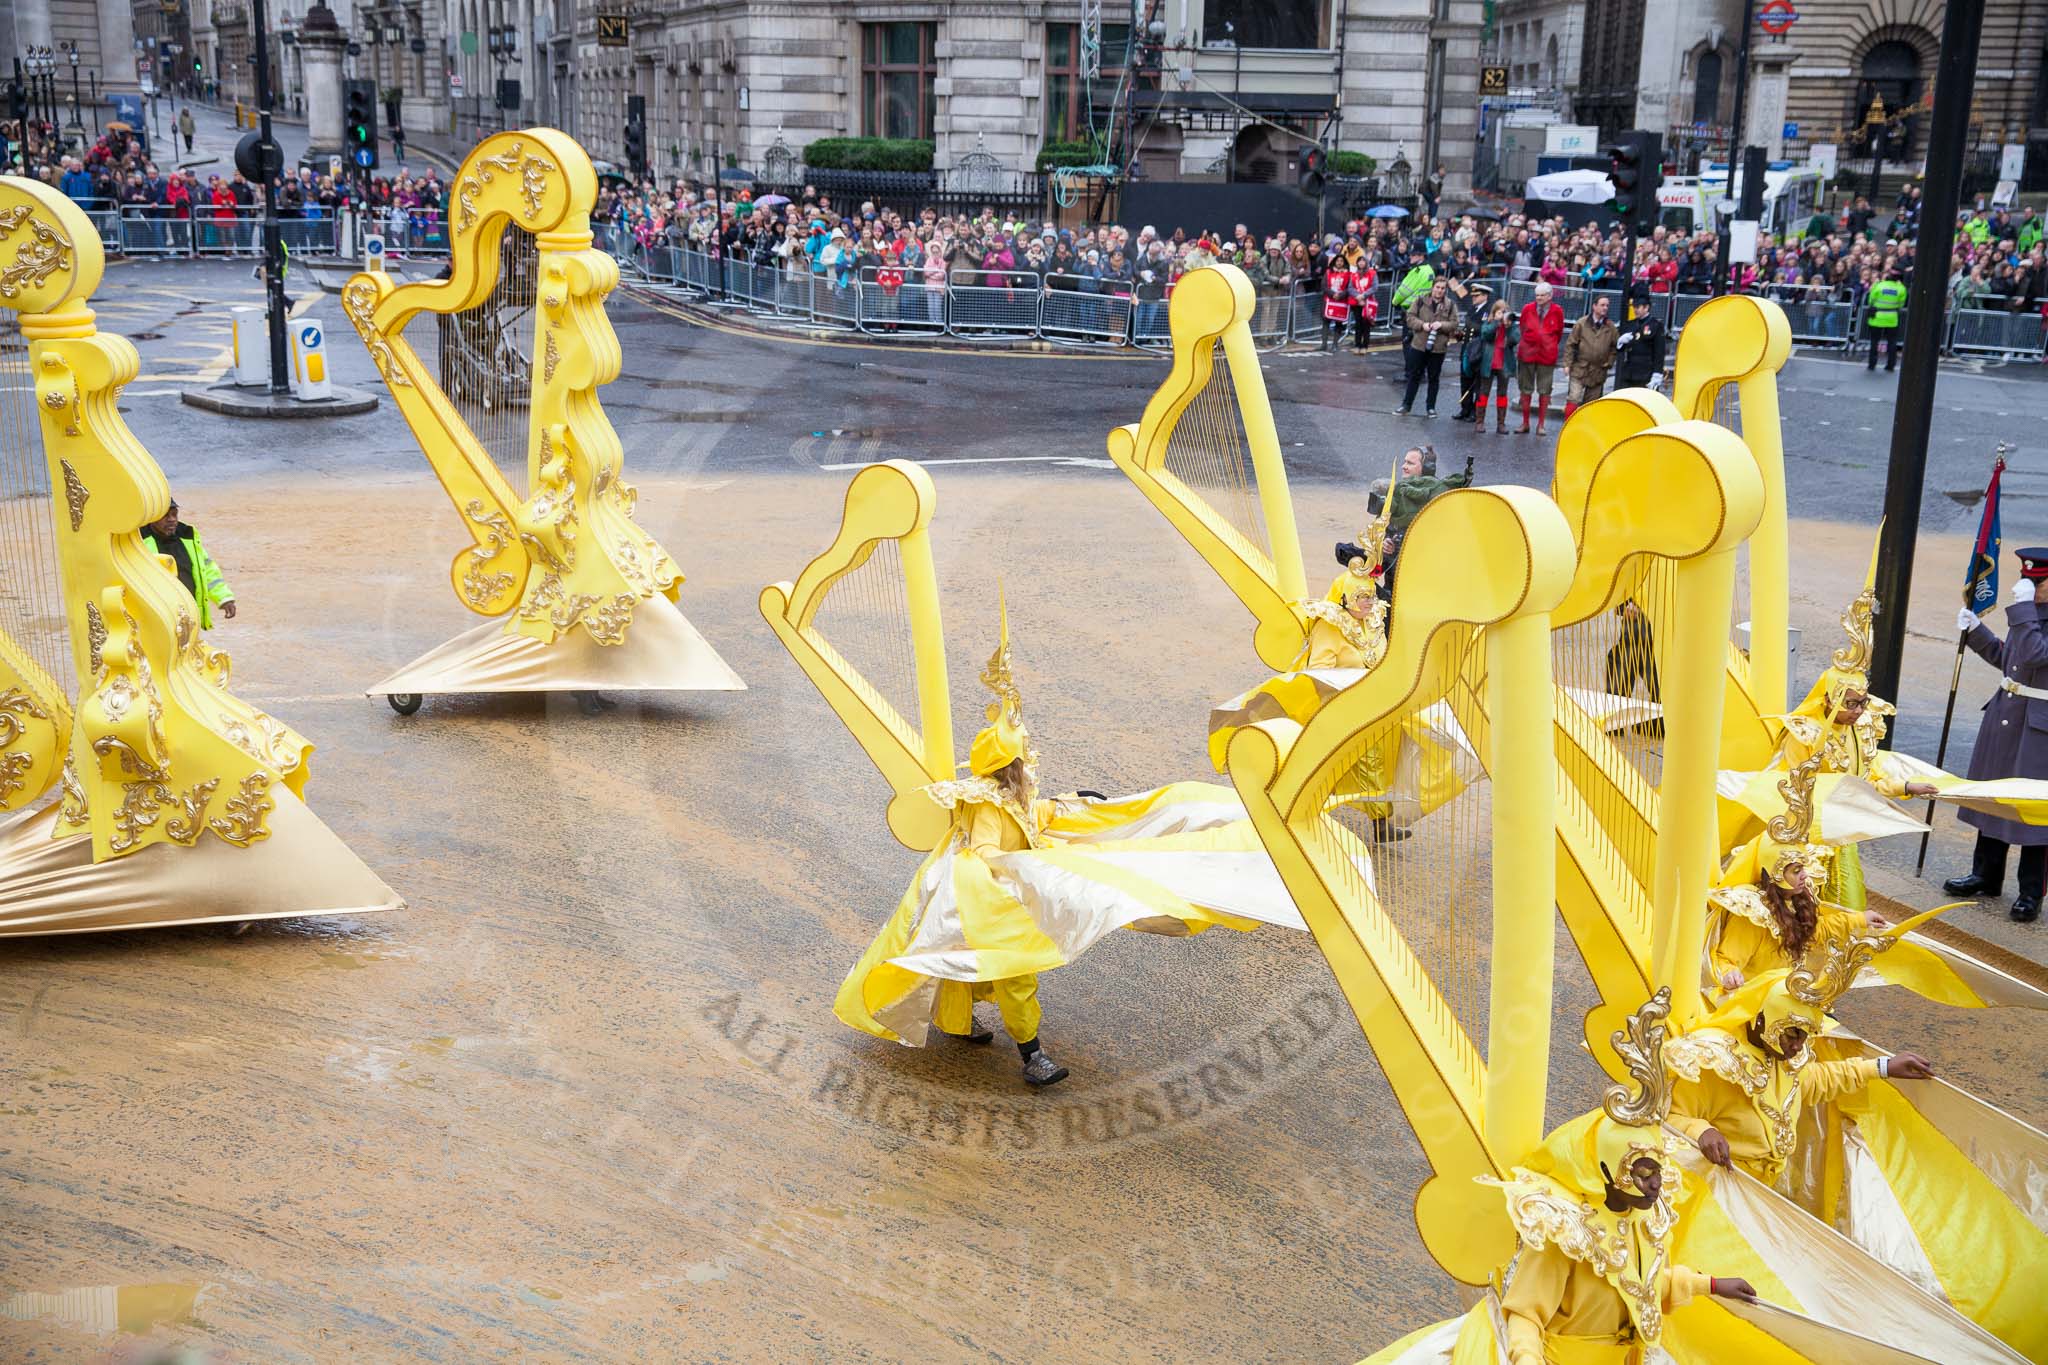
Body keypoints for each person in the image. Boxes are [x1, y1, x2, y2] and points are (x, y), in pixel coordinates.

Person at [835, 604, 1300, 1086]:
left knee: (976, 960)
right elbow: (987, 852)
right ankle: (1032, 1056)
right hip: (988, 896)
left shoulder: (1015, 792)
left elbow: (1035, 814)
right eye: (1021, 757)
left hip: (1006, 889)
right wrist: (1034, 871)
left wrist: (1073, 803)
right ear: (1006, 766)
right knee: (1015, 973)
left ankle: (960, 1020)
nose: (1028, 763)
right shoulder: (984, 804)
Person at [1357, 991, 1763, 1365]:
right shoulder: (1564, 1236)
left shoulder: (1642, 1220)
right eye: (1642, 1172)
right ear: (1608, 1172)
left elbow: (1640, 1287)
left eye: (1657, 1170)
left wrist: (1711, 1284)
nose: (1656, 1184)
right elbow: (1526, 1317)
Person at [1666, 970, 1933, 1188]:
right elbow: (1664, 1119)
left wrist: (1883, 1066)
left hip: (1767, 1194)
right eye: (1791, 1035)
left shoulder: (1786, 1058)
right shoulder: (1714, 1063)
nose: (1798, 1047)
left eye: (1804, 1038)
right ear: (1762, 1020)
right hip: (1720, 1198)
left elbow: (1816, 1080)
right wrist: (1700, 1131)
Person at [1773, 588, 1936, 910]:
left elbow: (1865, 780)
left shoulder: (1859, 732)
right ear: (1828, 700)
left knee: (1847, 904)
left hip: (1842, 835)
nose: (1859, 712)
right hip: (1806, 839)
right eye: (1851, 704)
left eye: (1863, 703)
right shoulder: (1803, 735)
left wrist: (1906, 787)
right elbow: (1788, 788)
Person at [1943, 546, 2048, 922]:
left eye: (2037, 583)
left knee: (2034, 810)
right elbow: (2011, 660)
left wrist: (2022, 612)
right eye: (2027, 581)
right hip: (2007, 713)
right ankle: (1986, 874)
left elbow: (2037, 655)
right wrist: (1976, 632)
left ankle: (2031, 892)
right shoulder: (2030, 614)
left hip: (2039, 724)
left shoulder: (2027, 616)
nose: (2029, 588)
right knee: (1994, 797)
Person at [137, 499, 237, 627]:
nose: (172, 519)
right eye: (165, 516)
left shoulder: (188, 538)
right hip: (159, 616)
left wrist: (224, 599)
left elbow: (207, 571)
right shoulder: (139, 541)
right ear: (152, 517)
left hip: (189, 613)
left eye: (174, 514)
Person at [1396, 277, 1459, 417]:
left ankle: (1431, 407)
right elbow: (1410, 318)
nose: (1440, 291)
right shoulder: (1420, 300)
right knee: (1414, 376)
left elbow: (1455, 323)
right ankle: (1406, 405)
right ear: (1432, 287)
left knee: (1433, 378)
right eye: (1437, 287)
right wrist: (1422, 325)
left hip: (1438, 347)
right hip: (1419, 345)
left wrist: (1442, 325)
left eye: (1443, 288)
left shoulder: (1451, 305)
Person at [1516, 281, 1565, 435]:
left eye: (1542, 295)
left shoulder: (1557, 311)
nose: (1539, 298)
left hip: (1546, 355)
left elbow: (1558, 333)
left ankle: (1541, 425)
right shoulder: (1527, 309)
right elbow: (1522, 327)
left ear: (1550, 296)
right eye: (1537, 295)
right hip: (1527, 354)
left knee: (1545, 390)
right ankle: (1525, 423)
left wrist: (1548, 344)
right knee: (1525, 389)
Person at [1560, 292, 1617, 418]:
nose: (1605, 308)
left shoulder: (1610, 327)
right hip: (1580, 368)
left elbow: (1614, 347)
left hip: (1598, 371)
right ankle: (1568, 427)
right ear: (1594, 306)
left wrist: (1609, 362)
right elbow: (1571, 344)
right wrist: (1567, 364)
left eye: (1607, 306)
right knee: (1573, 398)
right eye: (1602, 305)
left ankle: (1584, 432)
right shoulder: (1581, 323)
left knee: (1591, 404)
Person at [1473, 296, 1517, 434]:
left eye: (1505, 311)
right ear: (1495, 312)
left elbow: (1516, 338)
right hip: (1489, 361)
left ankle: (1501, 424)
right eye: (1500, 312)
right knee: (1483, 392)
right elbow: (1485, 334)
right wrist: (1496, 323)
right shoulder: (1489, 322)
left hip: (1504, 363)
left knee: (1502, 394)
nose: (1503, 314)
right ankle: (1479, 422)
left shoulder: (1511, 325)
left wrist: (1508, 326)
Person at [1612, 284, 1667, 390]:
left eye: (1638, 307)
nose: (1635, 310)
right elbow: (1622, 349)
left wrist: (1657, 373)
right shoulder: (1631, 324)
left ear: (1646, 307)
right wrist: (1620, 343)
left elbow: (1659, 352)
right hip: (1630, 371)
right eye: (1634, 307)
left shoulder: (1655, 325)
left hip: (1646, 371)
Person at [1452, 282, 1492, 421]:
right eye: (1473, 295)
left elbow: (1484, 330)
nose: (1473, 298)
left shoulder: (1488, 311)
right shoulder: (1472, 309)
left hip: (1479, 352)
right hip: (1467, 350)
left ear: (1485, 296)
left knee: (1478, 384)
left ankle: (1476, 411)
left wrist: (1470, 326)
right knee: (1465, 381)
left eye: (1477, 295)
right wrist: (1460, 335)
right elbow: (1468, 330)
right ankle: (1465, 409)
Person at [1865, 266, 1906, 371]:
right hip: (1892, 318)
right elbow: (1901, 305)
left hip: (1877, 317)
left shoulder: (1879, 286)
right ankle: (1890, 365)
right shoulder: (1901, 289)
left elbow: (1871, 300)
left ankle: (1872, 364)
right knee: (1892, 342)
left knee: (1874, 341)